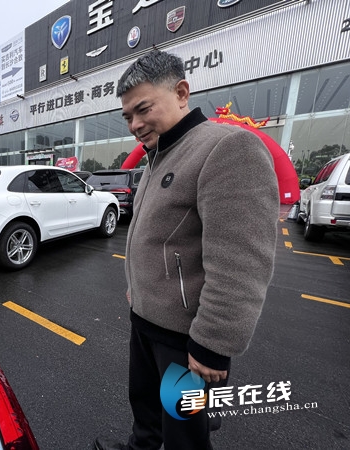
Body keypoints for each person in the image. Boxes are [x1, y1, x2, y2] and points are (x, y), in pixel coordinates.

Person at [94, 50, 279, 450]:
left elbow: (241, 263)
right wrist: (137, 288)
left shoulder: (228, 148)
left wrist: (213, 343)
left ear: (181, 93)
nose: (134, 124)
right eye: (127, 116)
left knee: (185, 435)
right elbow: (158, 238)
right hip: (145, 320)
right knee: (146, 408)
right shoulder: (158, 156)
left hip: (184, 337)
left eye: (143, 109)